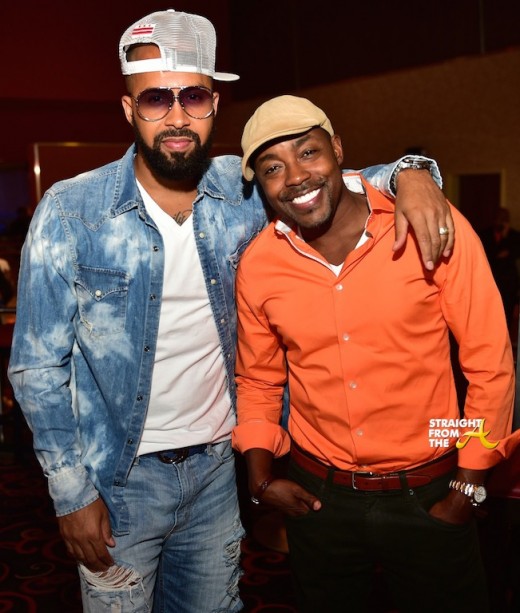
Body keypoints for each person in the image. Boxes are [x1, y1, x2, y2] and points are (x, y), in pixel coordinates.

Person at [8, 10, 452, 613]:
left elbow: (337, 180)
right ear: (129, 109)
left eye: (193, 97)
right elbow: (37, 369)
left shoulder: (242, 190)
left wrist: (413, 174)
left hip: (218, 475)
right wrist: (70, 494)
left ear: (214, 104)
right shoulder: (71, 211)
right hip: (118, 482)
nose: (176, 117)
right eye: (156, 99)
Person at [232, 95, 518, 613]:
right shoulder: (260, 264)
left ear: (338, 149)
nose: (295, 177)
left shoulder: (431, 225)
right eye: (273, 167)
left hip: (431, 491)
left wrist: (468, 487)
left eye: (308, 152)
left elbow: (489, 364)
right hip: (318, 500)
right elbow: (258, 379)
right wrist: (260, 476)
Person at [479, 207, 520, 332]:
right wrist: (499, 255)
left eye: (504, 219)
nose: (500, 222)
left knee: (507, 312)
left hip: (508, 282)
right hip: (490, 279)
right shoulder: (484, 235)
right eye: (498, 218)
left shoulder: (514, 236)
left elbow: (514, 254)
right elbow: (487, 255)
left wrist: (505, 237)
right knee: (488, 312)